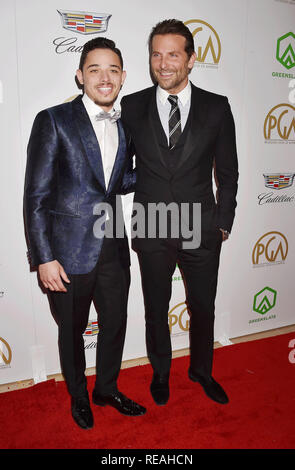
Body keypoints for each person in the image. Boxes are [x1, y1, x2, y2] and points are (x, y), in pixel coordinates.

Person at [23, 37, 145, 430]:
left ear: (123, 77)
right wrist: (43, 256)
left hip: (113, 246)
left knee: (116, 323)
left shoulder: (125, 126)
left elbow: (118, 180)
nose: (104, 78)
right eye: (95, 69)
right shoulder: (54, 119)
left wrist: (163, 169)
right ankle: (79, 395)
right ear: (80, 76)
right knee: (72, 332)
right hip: (67, 253)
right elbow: (36, 195)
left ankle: (106, 388)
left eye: (112, 70)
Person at [121, 19, 238, 406]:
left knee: (203, 306)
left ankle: (201, 371)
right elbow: (121, 168)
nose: (164, 62)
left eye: (173, 54)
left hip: (202, 226)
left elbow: (228, 171)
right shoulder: (132, 105)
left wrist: (223, 222)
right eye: (157, 54)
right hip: (151, 226)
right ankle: (160, 372)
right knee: (155, 307)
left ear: (191, 59)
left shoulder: (217, 107)